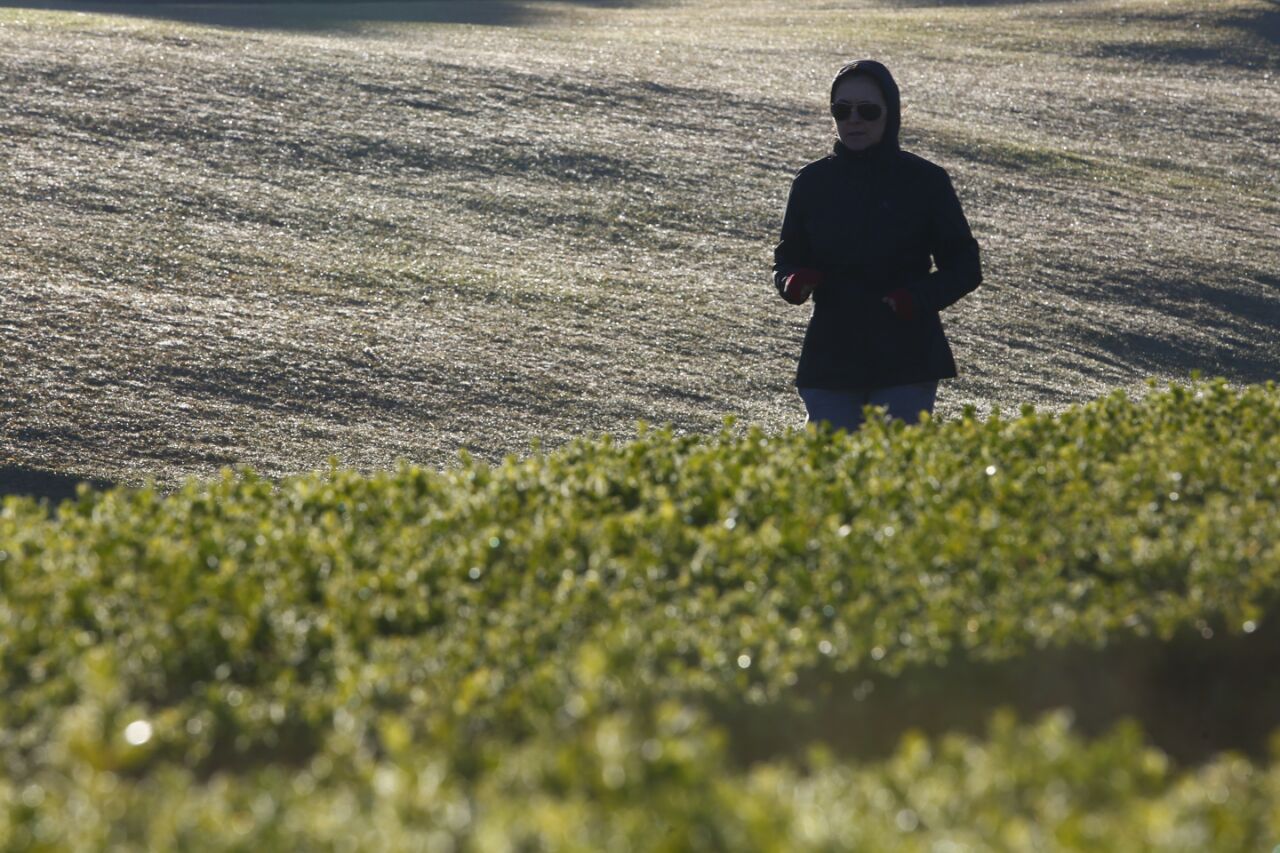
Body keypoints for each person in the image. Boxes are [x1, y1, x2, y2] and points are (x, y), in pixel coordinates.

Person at [773, 59, 983, 432]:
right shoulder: (812, 182)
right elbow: (787, 258)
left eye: (867, 111)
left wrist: (914, 299)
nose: (853, 119)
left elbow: (965, 266)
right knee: (829, 473)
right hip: (830, 357)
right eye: (842, 110)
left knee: (892, 474)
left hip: (907, 356)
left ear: (891, 114)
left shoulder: (925, 182)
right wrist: (792, 282)